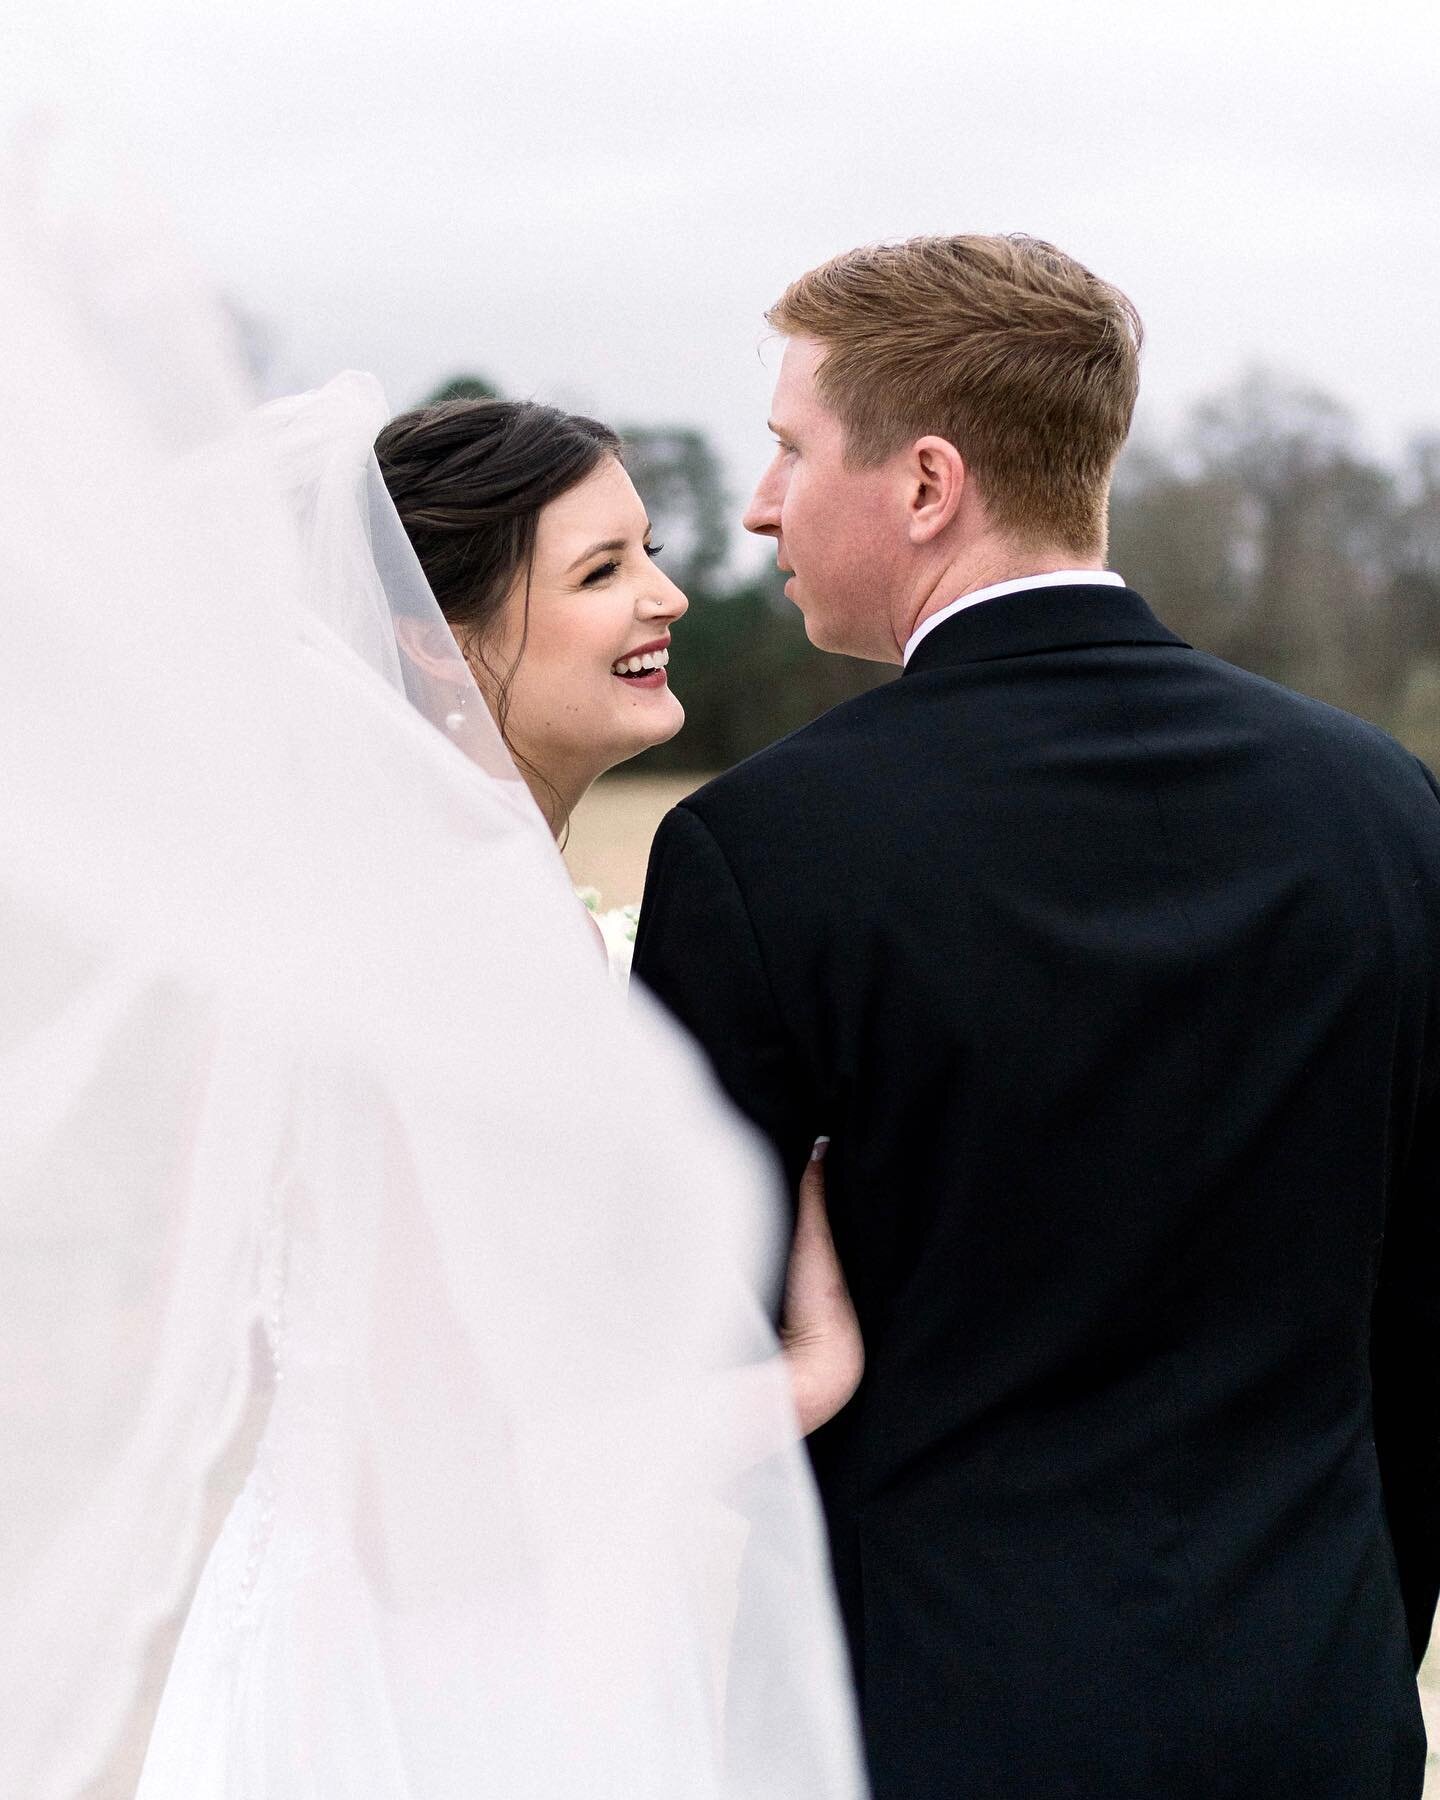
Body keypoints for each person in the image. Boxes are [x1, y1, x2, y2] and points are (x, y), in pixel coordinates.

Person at [0, 160, 866, 1799]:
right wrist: (796, 1384)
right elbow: (442, 1473)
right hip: (439, 1684)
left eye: (652, 554)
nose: (669, 598)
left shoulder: (447, 907)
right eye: (602, 571)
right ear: (433, 634)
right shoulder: (445, 941)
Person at [633, 233, 1440, 1799]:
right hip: (1311, 1712)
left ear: (926, 483)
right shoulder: (1384, 808)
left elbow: (681, 1361)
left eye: (791, 448)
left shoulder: (767, 850)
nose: (758, 506)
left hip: (920, 1718)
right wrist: (1345, 1640)